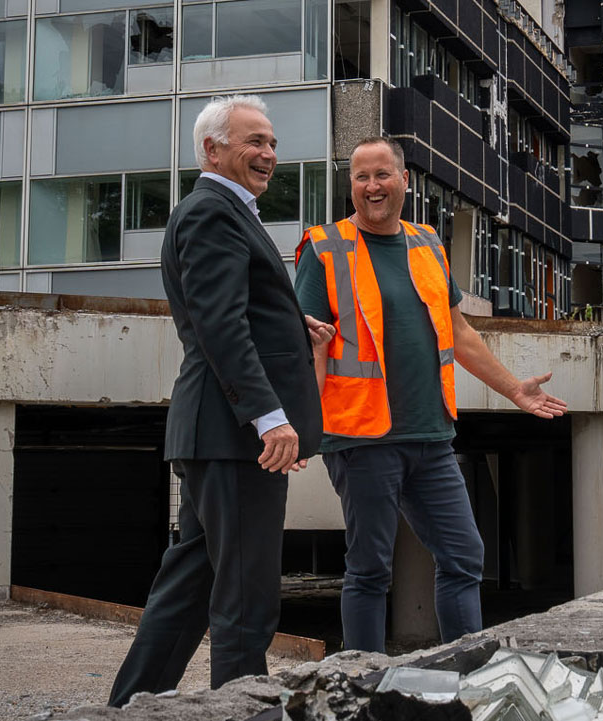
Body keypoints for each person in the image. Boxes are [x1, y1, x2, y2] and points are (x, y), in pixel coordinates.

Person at [293, 136, 567, 653]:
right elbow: (303, 342)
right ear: (350, 184)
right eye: (360, 177)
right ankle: (361, 686)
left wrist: (515, 390)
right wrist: (304, 428)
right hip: (360, 436)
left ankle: (468, 676)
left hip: (431, 434)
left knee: (464, 556)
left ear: (404, 180)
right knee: (370, 569)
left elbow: (459, 332)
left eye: (381, 175)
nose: (371, 187)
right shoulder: (324, 247)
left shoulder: (427, 244)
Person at [109, 95, 330, 707]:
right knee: (245, 598)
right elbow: (219, 327)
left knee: (186, 590)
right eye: (254, 141)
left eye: (273, 143)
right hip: (233, 437)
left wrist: (293, 325)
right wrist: (271, 419)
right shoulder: (213, 212)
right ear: (212, 149)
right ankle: (242, 712)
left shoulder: (228, 211)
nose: (268, 153)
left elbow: (238, 314)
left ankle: (127, 709)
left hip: (217, 435)